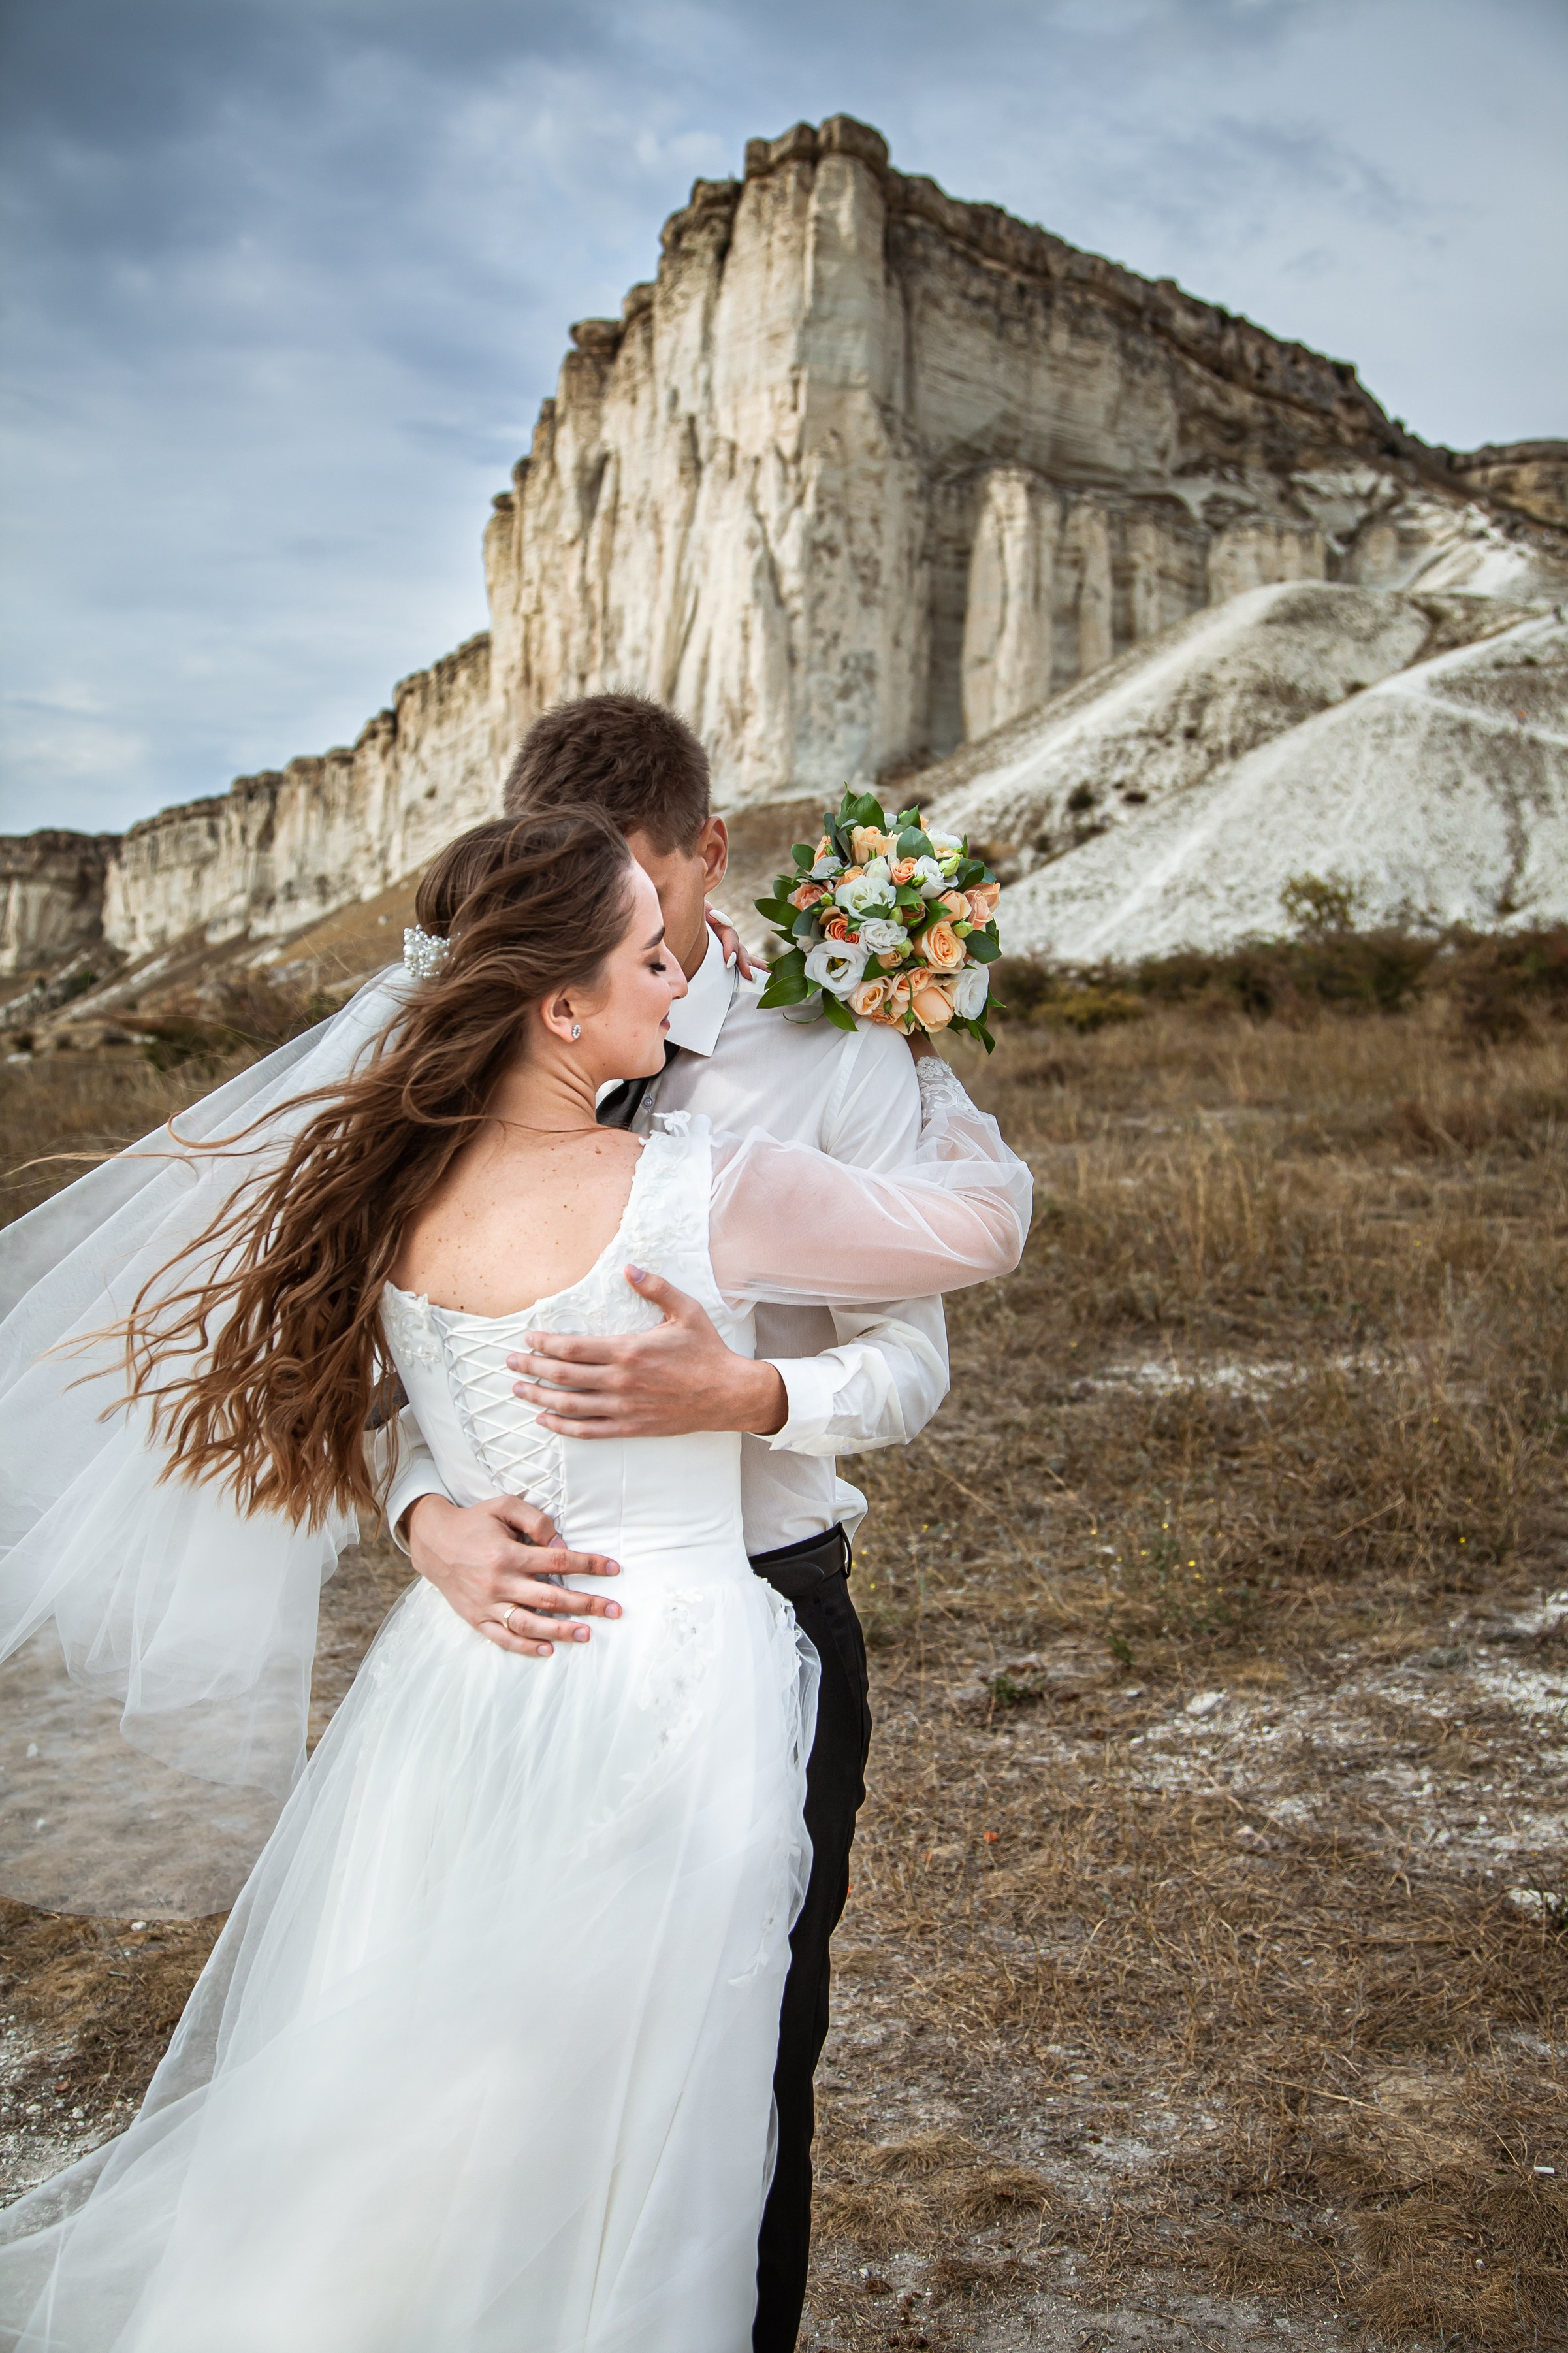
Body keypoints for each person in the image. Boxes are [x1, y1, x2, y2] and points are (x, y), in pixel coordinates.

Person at [0, 805, 1031, 2351]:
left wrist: (432, 1515)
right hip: (674, 1690)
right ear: (561, 1005)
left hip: (461, 1691)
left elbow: (383, 1411)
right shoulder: (702, 1185)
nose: (680, 977)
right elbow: (982, 1226)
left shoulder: (395, 1191)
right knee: (650, 2115)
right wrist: (915, 1045)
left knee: (439, 2094)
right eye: (647, 954)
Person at [392, 694, 955, 2351]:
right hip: (517, 1638)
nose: (647, 949)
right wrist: (423, 1512)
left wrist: (754, 1401)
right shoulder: (454, 1060)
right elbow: (382, 1375)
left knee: (738, 2051)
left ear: (709, 852)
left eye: (651, 900)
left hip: (764, 1602)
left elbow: (913, 1352)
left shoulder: (840, 1052)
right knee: (503, 2050)